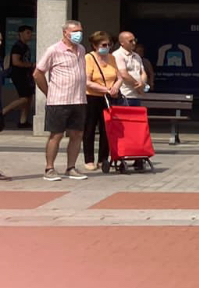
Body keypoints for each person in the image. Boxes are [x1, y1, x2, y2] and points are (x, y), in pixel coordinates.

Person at [35, 21, 87, 181]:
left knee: (77, 134)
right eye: (75, 31)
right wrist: (48, 92)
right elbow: (38, 73)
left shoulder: (81, 49)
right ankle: (49, 168)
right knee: (56, 135)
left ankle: (71, 167)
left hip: (79, 99)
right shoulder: (54, 50)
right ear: (65, 32)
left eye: (80, 31)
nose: (79, 34)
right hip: (59, 100)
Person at [82, 32, 121, 173]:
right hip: (92, 97)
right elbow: (87, 81)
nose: (107, 47)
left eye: (109, 45)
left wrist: (116, 86)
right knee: (90, 128)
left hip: (108, 97)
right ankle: (89, 160)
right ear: (95, 45)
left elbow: (119, 77)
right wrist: (105, 89)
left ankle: (103, 159)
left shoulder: (112, 58)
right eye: (104, 45)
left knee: (107, 129)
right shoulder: (89, 58)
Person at [3, 24, 35, 129]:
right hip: (19, 75)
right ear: (21, 34)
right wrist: (31, 65)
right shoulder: (17, 46)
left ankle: (23, 121)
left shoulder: (25, 47)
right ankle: (3, 112)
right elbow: (16, 62)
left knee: (29, 97)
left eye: (30, 33)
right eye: (27, 33)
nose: (30, 35)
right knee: (24, 98)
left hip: (26, 75)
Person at [114, 32, 149, 107]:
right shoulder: (117, 55)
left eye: (134, 40)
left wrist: (142, 84)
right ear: (122, 43)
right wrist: (138, 86)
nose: (134, 43)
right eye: (130, 41)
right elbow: (123, 74)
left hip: (137, 95)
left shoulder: (137, 56)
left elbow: (142, 72)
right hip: (125, 95)